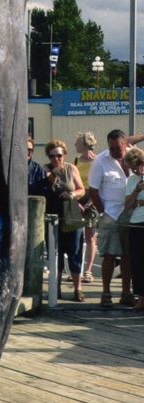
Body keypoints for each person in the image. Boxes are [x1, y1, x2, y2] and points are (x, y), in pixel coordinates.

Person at [89, 128, 135, 309]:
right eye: (112, 148)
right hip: (111, 213)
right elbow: (93, 189)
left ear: (125, 144)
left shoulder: (135, 156)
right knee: (109, 254)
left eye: (118, 148)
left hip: (131, 212)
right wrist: (102, 212)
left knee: (128, 255)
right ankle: (106, 292)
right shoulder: (100, 161)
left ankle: (126, 292)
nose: (115, 152)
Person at [44, 140, 85, 301]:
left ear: (64, 155)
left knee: (75, 252)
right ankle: (56, 289)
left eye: (59, 155)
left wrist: (72, 195)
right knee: (56, 254)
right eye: (52, 155)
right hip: (54, 217)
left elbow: (81, 189)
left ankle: (78, 290)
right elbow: (52, 183)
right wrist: (51, 173)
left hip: (72, 214)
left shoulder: (72, 168)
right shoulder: (45, 169)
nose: (56, 159)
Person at [74, 131, 99, 283]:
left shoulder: (97, 161)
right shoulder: (76, 161)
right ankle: (76, 269)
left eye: (77, 143)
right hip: (78, 200)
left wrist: (91, 202)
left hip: (93, 200)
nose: (75, 145)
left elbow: (97, 184)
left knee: (90, 236)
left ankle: (88, 271)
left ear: (84, 144)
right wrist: (76, 202)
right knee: (76, 236)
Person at [123, 147, 144, 311]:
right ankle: (141, 297)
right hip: (136, 223)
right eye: (133, 167)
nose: (136, 170)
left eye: (138, 166)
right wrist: (137, 191)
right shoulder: (131, 181)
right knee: (137, 262)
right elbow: (128, 205)